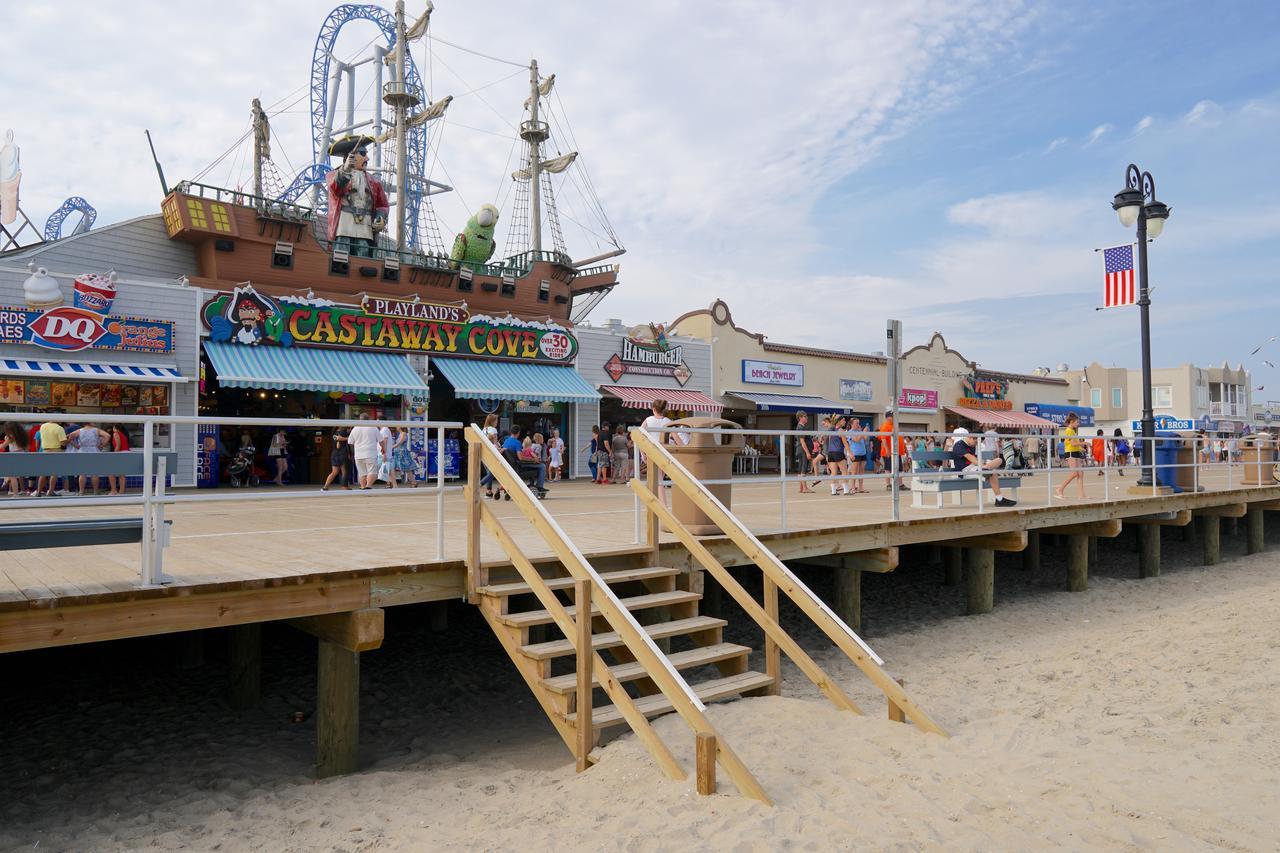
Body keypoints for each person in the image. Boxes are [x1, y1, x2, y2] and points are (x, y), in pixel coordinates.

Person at [951, 427, 1016, 507]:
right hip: (965, 470)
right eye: (976, 442)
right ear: (971, 437)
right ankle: (999, 499)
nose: (976, 444)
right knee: (992, 473)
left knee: (999, 460)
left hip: (975, 467)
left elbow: (975, 460)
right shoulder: (959, 445)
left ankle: (986, 470)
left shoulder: (971, 444)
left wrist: (984, 465)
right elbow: (971, 458)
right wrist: (982, 466)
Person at [1054, 412, 1087, 500]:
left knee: (1080, 473)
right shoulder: (1068, 430)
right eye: (1077, 422)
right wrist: (1084, 443)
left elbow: (1072, 443)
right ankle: (1060, 489)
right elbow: (1072, 443)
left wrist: (1081, 448)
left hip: (1075, 452)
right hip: (1071, 453)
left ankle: (1081, 495)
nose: (1078, 424)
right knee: (1074, 473)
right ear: (1072, 421)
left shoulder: (1072, 431)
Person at [67, 422, 106, 495]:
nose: (95, 422)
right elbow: (108, 436)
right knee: (94, 473)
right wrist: (102, 445)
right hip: (94, 451)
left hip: (82, 451)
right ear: (89, 423)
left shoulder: (79, 431)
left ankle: (81, 491)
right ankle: (95, 491)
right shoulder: (96, 430)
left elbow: (69, 437)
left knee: (82, 473)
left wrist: (76, 446)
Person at [346, 414, 381, 489]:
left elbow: (350, 442)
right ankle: (368, 486)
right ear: (368, 419)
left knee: (362, 473)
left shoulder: (355, 428)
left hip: (358, 454)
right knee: (372, 472)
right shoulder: (373, 427)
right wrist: (383, 449)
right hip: (370, 453)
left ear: (360, 419)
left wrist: (354, 450)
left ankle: (362, 487)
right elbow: (381, 440)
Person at [34, 418, 67, 496]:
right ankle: (51, 491)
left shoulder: (43, 426)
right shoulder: (59, 428)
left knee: (43, 472)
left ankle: (38, 492)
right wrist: (67, 440)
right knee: (54, 472)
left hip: (45, 450)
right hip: (56, 451)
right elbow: (63, 442)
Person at [824, 416, 850, 495]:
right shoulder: (840, 430)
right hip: (838, 452)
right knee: (844, 471)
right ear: (838, 421)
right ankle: (846, 490)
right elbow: (845, 443)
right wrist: (850, 453)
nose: (845, 422)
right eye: (843, 420)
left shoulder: (831, 430)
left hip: (831, 452)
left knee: (833, 472)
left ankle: (833, 491)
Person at [1, 422, 27, 496]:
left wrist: (5, 441)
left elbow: (2, 447)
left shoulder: (11, 437)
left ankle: (15, 493)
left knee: (12, 475)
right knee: (13, 474)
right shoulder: (21, 435)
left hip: (14, 455)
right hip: (22, 454)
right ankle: (6, 480)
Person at [794, 411, 817, 493]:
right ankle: (805, 488)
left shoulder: (801, 427)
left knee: (800, 469)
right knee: (803, 469)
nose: (806, 418)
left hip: (801, 450)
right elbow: (802, 442)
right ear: (800, 418)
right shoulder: (800, 427)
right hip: (803, 450)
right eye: (805, 416)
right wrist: (807, 452)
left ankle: (801, 488)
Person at [845, 418, 868, 494]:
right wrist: (862, 433)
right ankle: (853, 488)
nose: (858, 425)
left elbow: (865, 438)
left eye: (858, 423)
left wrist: (865, 432)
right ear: (852, 424)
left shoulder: (859, 431)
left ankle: (861, 488)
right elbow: (856, 439)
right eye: (856, 423)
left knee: (861, 471)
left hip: (863, 452)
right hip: (855, 453)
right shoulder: (849, 432)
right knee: (854, 471)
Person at [377, 418, 395, 489]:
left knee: (375, 470)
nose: (376, 423)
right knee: (390, 470)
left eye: (378, 421)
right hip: (384, 454)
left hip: (383, 454)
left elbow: (384, 442)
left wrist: (384, 453)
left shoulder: (384, 430)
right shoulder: (384, 429)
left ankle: (367, 485)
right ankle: (394, 485)